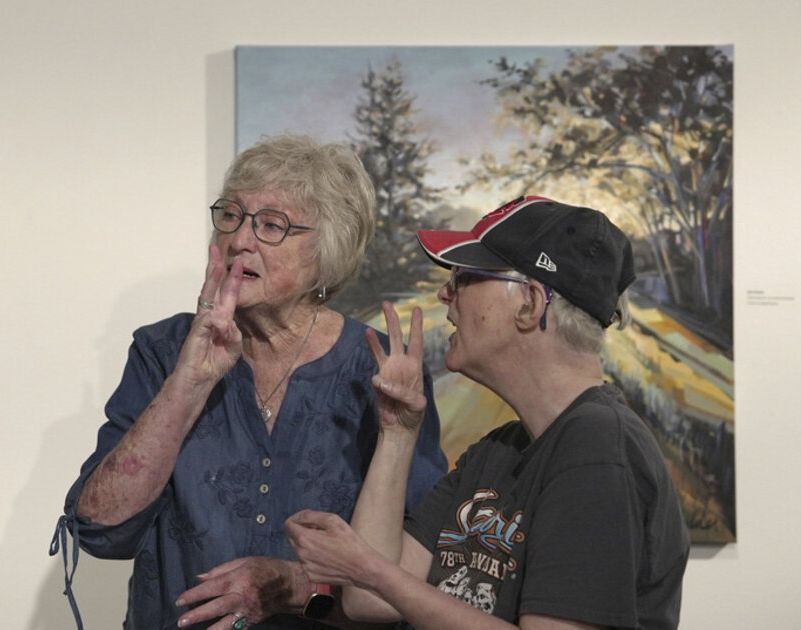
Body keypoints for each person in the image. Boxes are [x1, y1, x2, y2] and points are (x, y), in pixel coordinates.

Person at [52, 134, 448, 630]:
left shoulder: (380, 370)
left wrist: (300, 586)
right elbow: (100, 531)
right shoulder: (164, 351)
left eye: (271, 225)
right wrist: (188, 384)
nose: (240, 240)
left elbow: (417, 568)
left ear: (327, 252)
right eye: (231, 216)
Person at [286, 196, 690, 629]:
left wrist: (368, 570)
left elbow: (376, 582)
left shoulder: (598, 447)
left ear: (529, 303)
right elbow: (369, 602)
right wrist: (398, 432)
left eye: (463, 278)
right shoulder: (496, 452)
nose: (445, 293)